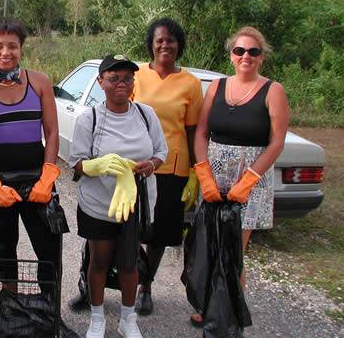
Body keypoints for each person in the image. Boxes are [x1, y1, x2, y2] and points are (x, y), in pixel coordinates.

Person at [191, 26, 289, 327]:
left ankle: (229, 312)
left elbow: (277, 142)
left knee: (233, 249)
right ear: (232, 56)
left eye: (253, 51)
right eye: (240, 51)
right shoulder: (217, 87)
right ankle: (209, 305)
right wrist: (204, 174)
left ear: (261, 57)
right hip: (215, 175)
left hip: (250, 179)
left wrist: (249, 180)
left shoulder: (273, 91)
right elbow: (201, 133)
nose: (246, 56)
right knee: (210, 243)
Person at [69, 54, 168, 338]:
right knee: (99, 260)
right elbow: (76, 162)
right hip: (99, 205)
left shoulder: (146, 115)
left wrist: (151, 165)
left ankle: (128, 319)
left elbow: (160, 152)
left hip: (133, 204)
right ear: (101, 82)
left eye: (127, 78)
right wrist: (94, 165)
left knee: (128, 262)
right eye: (114, 79)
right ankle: (97, 317)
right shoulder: (91, 118)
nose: (121, 84)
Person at [0, 19, 61, 294]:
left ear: (21, 49)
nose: (5, 52)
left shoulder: (40, 82)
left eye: (12, 46)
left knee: (48, 246)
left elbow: (52, 132)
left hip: (37, 177)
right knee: (5, 244)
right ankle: (10, 308)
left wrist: (48, 175)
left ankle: (49, 312)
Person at [130, 17, 204, 315]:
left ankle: (145, 287)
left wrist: (197, 173)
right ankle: (102, 281)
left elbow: (193, 131)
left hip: (173, 169)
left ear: (179, 45)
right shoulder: (136, 76)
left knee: (159, 234)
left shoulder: (190, 83)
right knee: (125, 228)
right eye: (160, 39)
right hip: (136, 166)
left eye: (171, 40)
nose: (165, 45)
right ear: (151, 42)